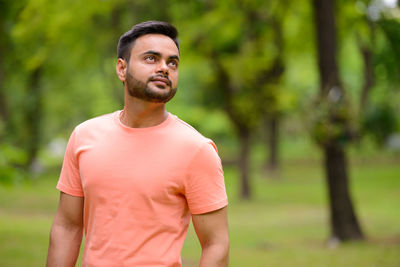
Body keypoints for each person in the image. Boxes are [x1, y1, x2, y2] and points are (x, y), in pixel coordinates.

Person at [46, 21, 229, 267]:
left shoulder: (196, 149)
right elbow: (67, 226)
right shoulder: (84, 137)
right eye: (151, 59)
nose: (164, 68)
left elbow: (216, 243)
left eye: (172, 62)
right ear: (122, 69)